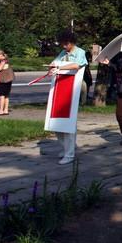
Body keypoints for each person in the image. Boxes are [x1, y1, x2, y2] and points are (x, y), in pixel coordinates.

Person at [49, 31, 88, 164]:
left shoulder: (80, 52)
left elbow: (76, 65)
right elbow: (55, 62)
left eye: (66, 44)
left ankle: (69, 154)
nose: (64, 46)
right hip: (62, 89)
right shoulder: (63, 53)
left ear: (72, 42)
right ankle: (66, 148)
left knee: (69, 123)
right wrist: (52, 66)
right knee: (56, 122)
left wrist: (59, 67)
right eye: (62, 44)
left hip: (75, 89)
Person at [0, 51, 14, 116]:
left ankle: (1, 110)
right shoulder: (6, 60)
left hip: (4, 80)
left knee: (1, 95)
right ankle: (5, 110)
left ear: (1, 55)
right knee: (6, 95)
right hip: (8, 80)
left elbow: (0, 69)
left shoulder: (3, 61)